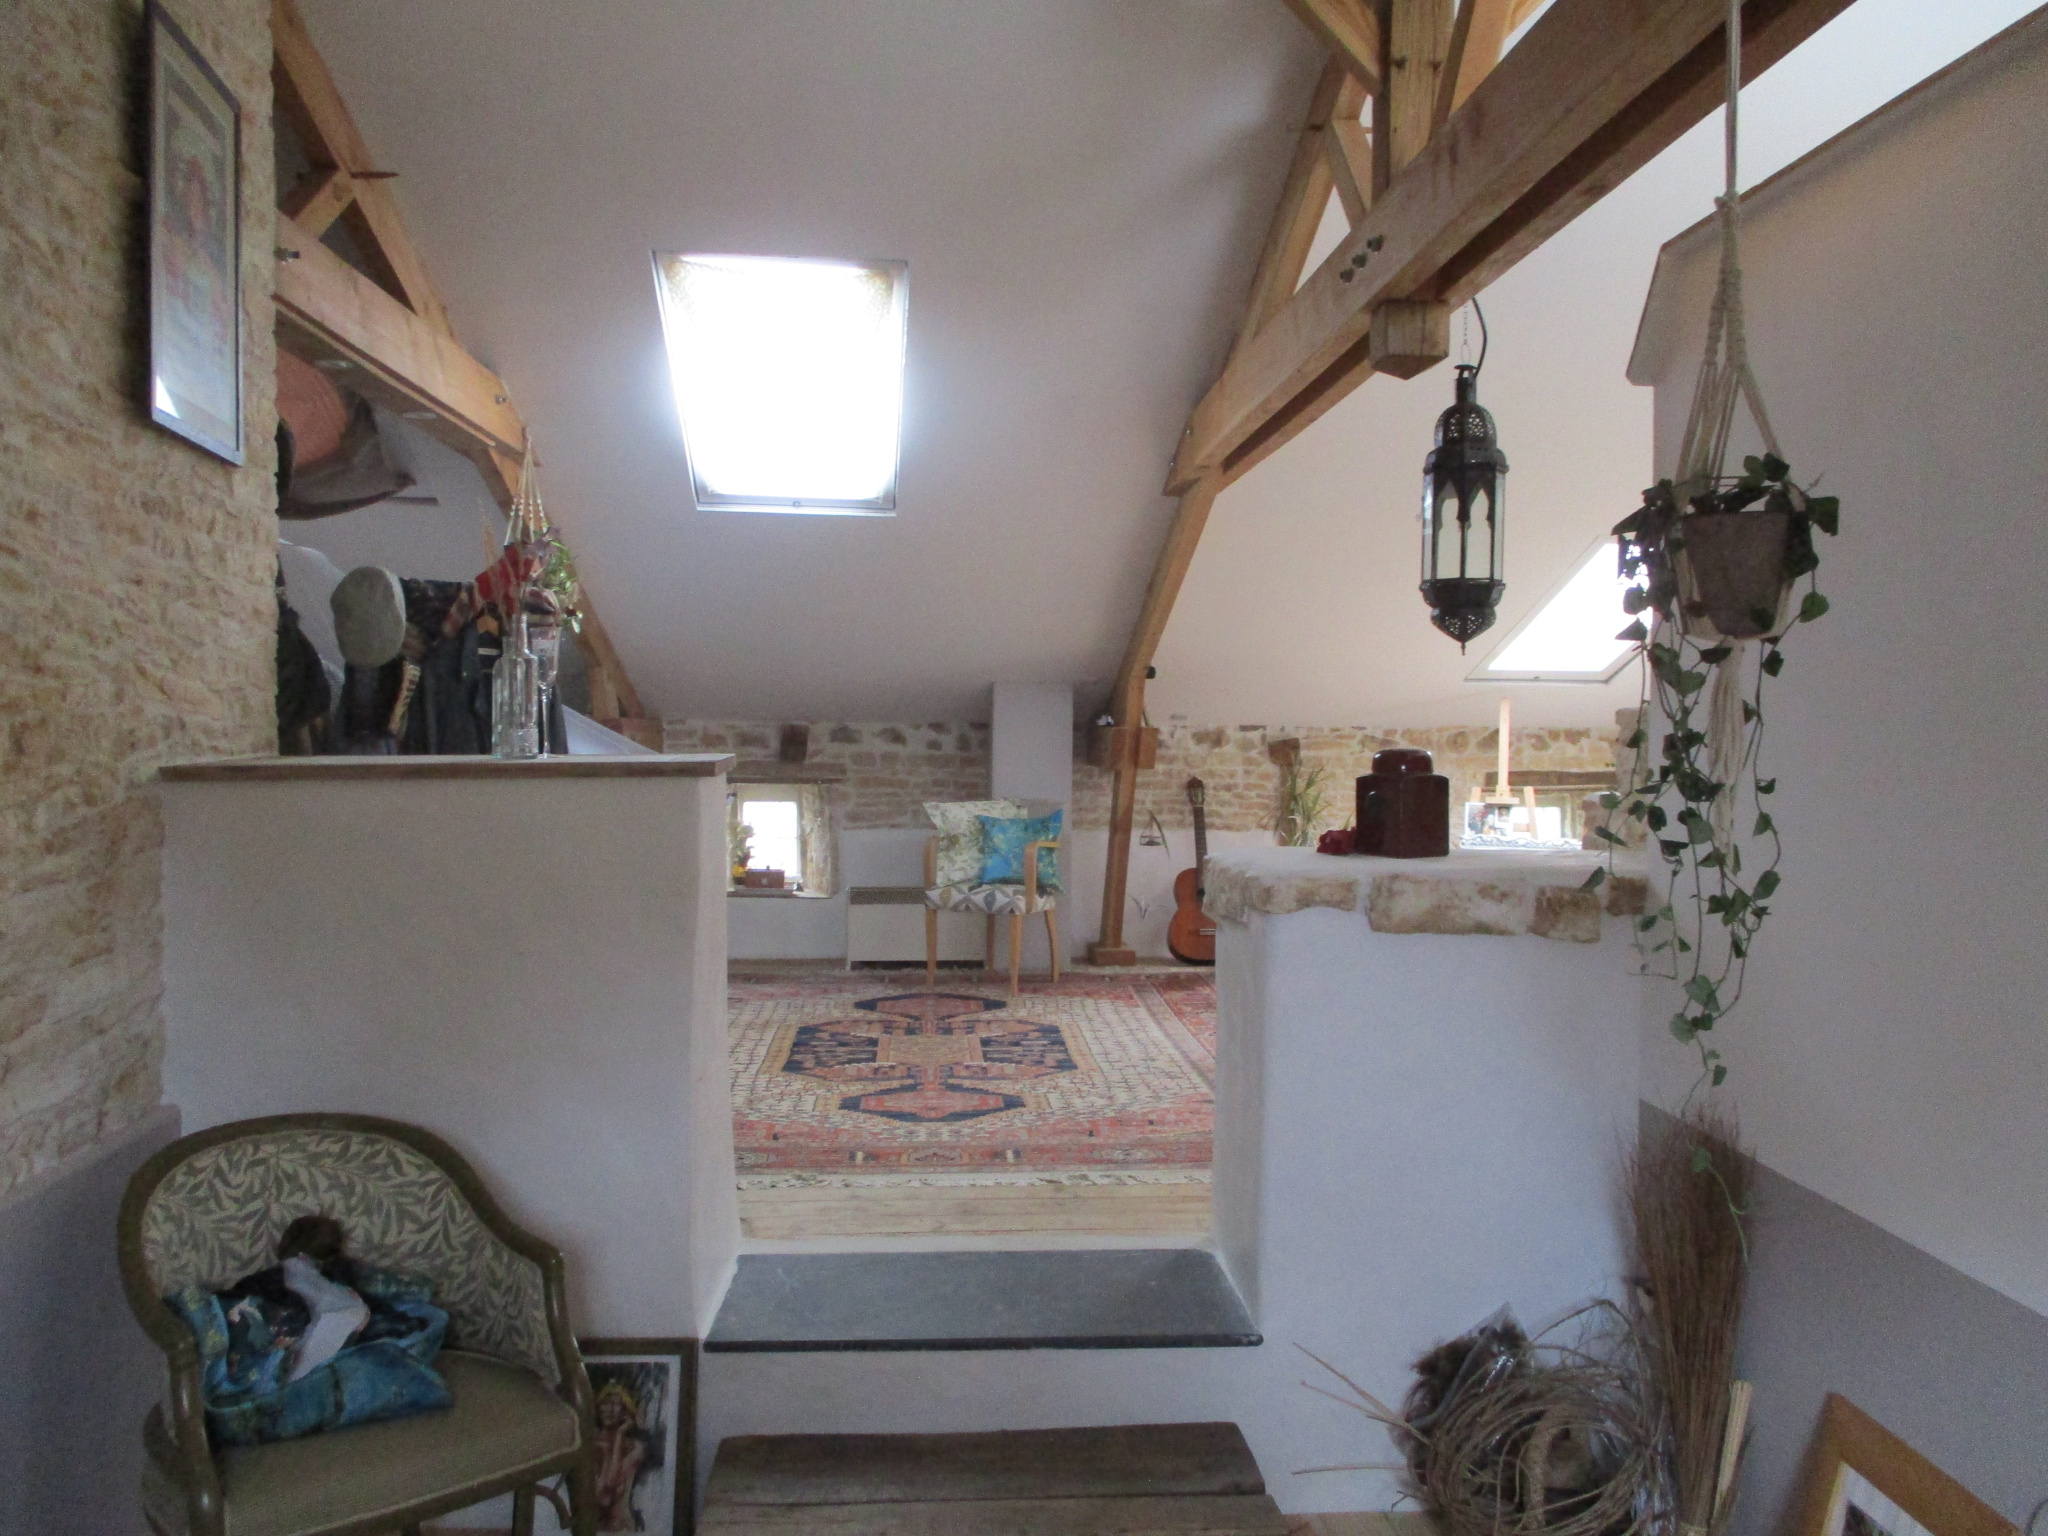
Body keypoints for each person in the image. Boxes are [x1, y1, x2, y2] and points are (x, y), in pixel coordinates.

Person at [592, 1379, 647, 1531]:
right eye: (604, 1404)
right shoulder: (591, 1445)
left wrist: (618, 1436)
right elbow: (601, 1495)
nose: (608, 1409)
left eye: (615, 1404)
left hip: (623, 1526)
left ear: (625, 1411)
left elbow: (612, 1481)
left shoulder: (635, 1448)